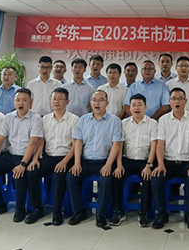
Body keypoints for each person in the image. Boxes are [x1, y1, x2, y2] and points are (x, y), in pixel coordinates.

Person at [0, 88, 43, 221]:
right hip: (10, 155)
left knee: (19, 174)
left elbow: (33, 143)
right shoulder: (8, 118)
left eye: (25, 100)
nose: (21, 103)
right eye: (18, 100)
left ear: (31, 102)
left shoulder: (36, 118)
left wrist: (23, 164)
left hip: (26, 156)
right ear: (14, 102)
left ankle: (20, 210)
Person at [66, 90, 124, 228]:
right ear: (90, 102)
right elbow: (78, 142)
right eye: (94, 100)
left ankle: (101, 214)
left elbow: (116, 144)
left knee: (106, 180)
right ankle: (79, 212)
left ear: (107, 103)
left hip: (104, 161)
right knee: (71, 177)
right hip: (86, 161)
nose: (97, 103)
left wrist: (109, 165)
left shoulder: (114, 121)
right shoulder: (83, 120)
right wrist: (77, 163)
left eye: (101, 100)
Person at [151, 88, 189, 230]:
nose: (177, 101)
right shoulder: (163, 120)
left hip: (188, 163)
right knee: (156, 179)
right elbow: (160, 144)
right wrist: (160, 164)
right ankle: (161, 214)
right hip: (167, 162)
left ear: (185, 101)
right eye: (174, 98)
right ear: (170, 102)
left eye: (180, 98)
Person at [25, 88, 79, 225]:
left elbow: (76, 145)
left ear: (67, 101)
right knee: (31, 172)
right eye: (54, 98)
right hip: (49, 156)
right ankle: (37, 209)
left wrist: (64, 161)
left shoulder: (74, 119)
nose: (56, 101)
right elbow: (41, 141)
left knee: (59, 174)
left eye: (60, 99)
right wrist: (35, 159)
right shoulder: (45, 119)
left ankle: (57, 211)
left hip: (66, 157)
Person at [110, 93, 158, 228]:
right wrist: (119, 165)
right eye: (134, 105)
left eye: (140, 105)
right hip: (127, 160)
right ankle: (118, 211)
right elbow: (119, 145)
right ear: (129, 108)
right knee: (116, 177)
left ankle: (143, 213)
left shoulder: (152, 123)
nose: (136, 108)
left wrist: (149, 165)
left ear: (145, 107)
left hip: (145, 161)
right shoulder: (123, 123)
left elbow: (154, 145)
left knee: (148, 179)